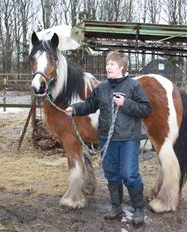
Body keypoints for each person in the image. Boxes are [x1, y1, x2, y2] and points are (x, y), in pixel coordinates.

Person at [65, 50, 151, 226]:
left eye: (111, 64)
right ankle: (116, 206)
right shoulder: (102, 87)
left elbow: (145, 109)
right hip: (107, 139)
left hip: (128, 139)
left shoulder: (133, 86)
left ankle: (139, 208)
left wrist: (125, 103)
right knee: (111, 174)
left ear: (121, 67)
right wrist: (75, 108)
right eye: (107, 64)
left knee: (129, 175)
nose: (108, 67)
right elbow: (90, 104)